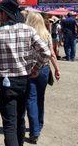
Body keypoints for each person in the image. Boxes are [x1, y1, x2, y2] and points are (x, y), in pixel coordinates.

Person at [0, 0, 51, 146]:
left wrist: (1, 68)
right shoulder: (28, 30)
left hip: (6, 81)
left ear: (4, 14)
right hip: (25, 79)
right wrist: (35, 68)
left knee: (10, 123)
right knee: (20, 119)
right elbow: (46, 52)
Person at [25, 12, 60, 144]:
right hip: (44, 69)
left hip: (29, 70)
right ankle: (39, 125)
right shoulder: (46, 35)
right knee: (40, 98)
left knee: (31, 99)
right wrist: (56, 69)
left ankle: (35, 130)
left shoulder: (26, 35)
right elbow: (51, 54)